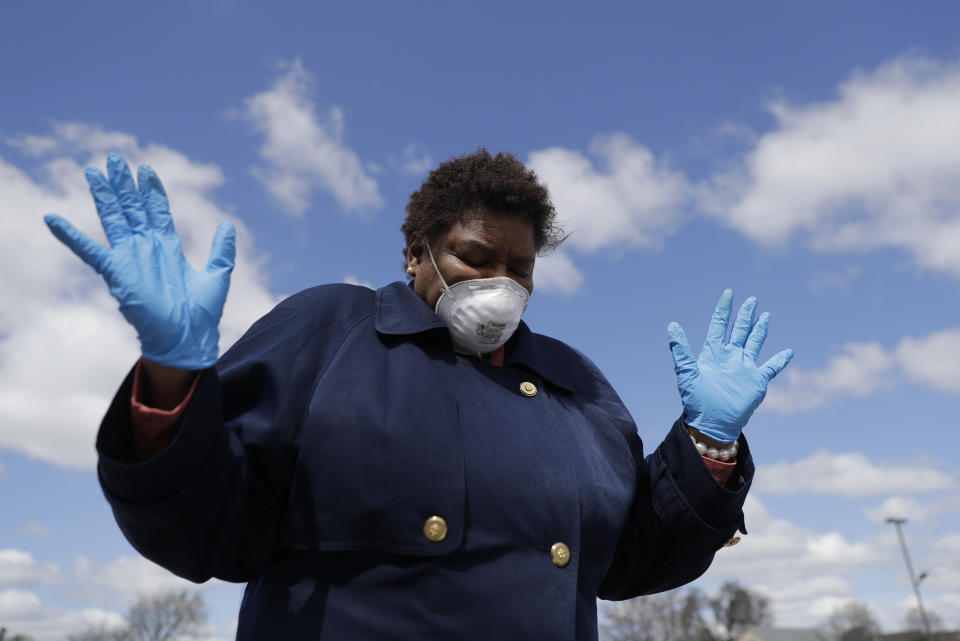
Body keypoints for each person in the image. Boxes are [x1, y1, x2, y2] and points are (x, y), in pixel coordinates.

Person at [45, 150, 793, 640]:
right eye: (474, 256)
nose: (499, 280)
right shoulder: (330, 328)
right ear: (417, 253)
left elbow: (628, 561)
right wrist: (174, 375)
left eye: (520, 266)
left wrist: (707, 445)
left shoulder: (579, 383)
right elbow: (210, 529)